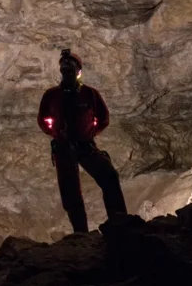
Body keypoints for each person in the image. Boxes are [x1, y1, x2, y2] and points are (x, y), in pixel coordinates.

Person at [37, 49, 127, 232]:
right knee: (70, 193)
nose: (67, 71)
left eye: (71, 68)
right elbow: (42, 119)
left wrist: (89, 133)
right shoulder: (52, 95)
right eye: (65, 68)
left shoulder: (89, 94)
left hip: (85, 146)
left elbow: (103, 118)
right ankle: (81, 233)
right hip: (63, 148)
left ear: (78, 71)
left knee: (109, 176)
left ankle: (120, 223)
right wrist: (56, 133)